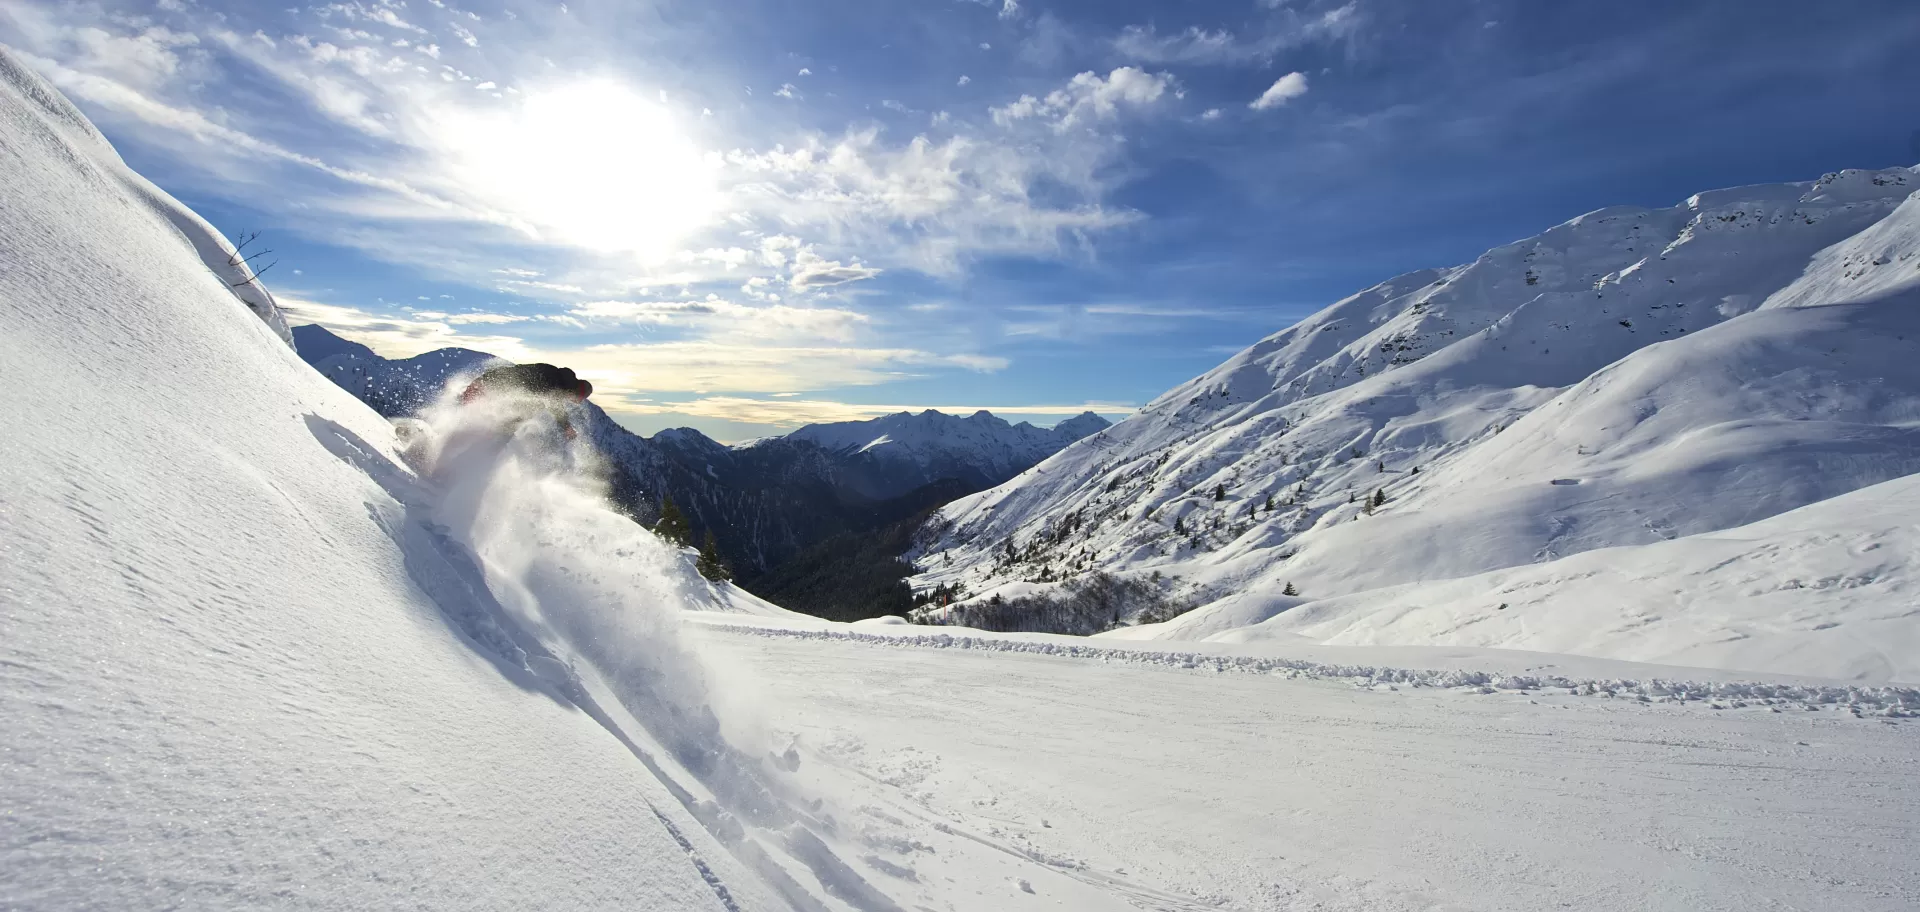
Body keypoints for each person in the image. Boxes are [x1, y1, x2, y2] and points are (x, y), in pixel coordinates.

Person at [456, 362, 593, 439]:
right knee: (531, 409)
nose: (574, 402)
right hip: (491, 385)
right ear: (576, 392)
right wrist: (566, 427)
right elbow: (555, 406)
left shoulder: (557, 377)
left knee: (464, 409)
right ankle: (496, 435)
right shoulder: (557, 384)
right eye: (578, 399)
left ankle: (490, 433)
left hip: (490, 381)